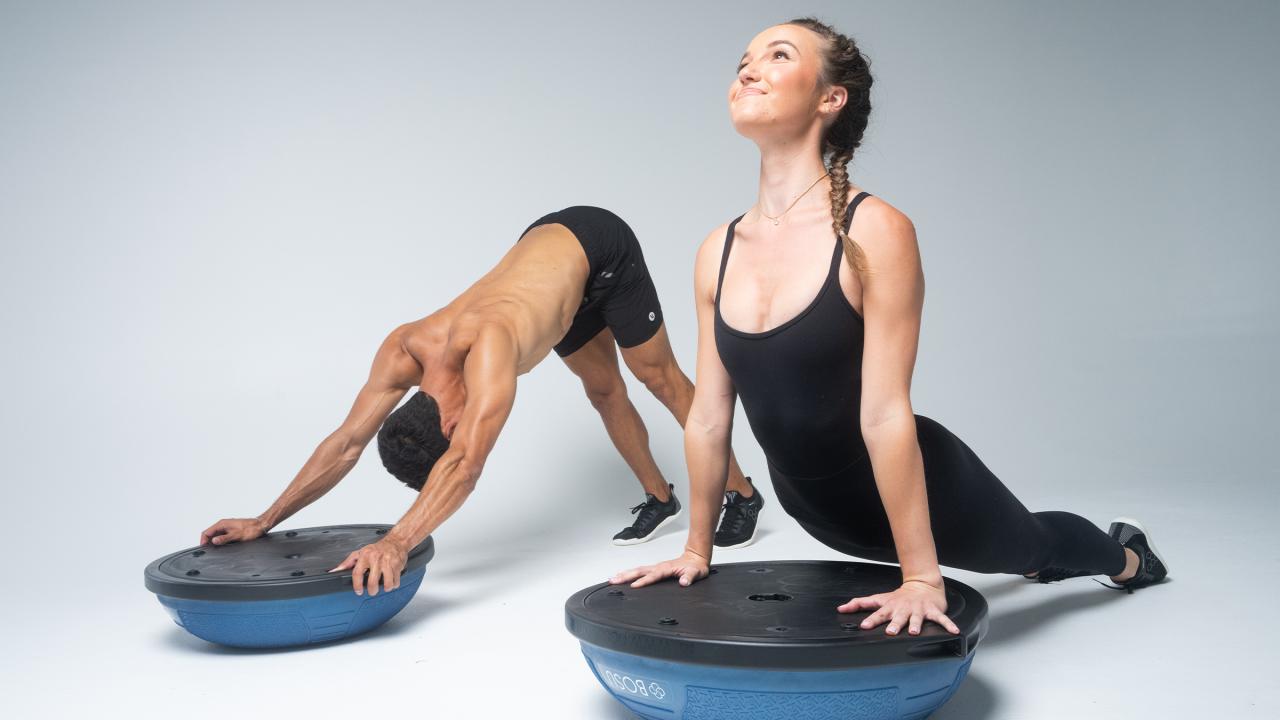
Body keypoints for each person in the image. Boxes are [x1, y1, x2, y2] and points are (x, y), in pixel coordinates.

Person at [611, 18, 1169, 637]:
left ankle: (1129, 558)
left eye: (778, 54)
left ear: (830, 98)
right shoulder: (717, 249)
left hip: (920, 489)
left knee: (1032, 548)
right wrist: (696, 551)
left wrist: (923, 578)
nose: (748, 69)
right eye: (744, 58)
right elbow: (710, 417)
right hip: (813, 507)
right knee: (1020, 552)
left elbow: (883, 413)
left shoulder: (876, 230)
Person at [200, 206, 764, 596]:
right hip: (552, 267)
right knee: (602, 389)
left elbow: (466, 464)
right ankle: (659, 497)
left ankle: (741, 494)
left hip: (599, 246)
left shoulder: (492, 347)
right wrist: (264, 518)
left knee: (655, 376)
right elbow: (347, 442)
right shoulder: (404, 348)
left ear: (448, 421)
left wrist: (397, 542)